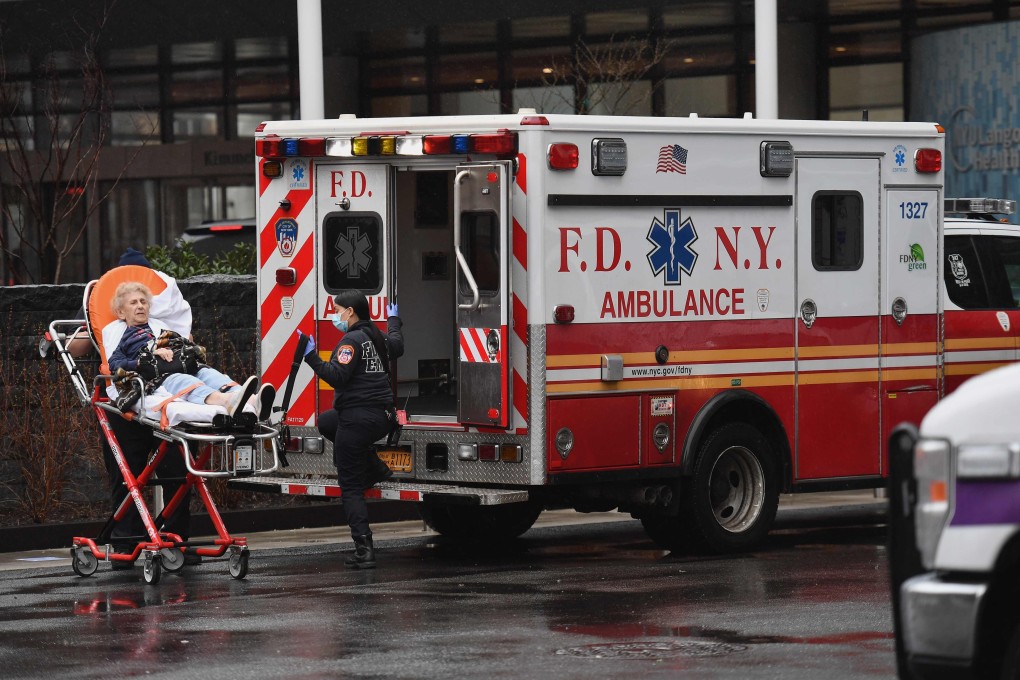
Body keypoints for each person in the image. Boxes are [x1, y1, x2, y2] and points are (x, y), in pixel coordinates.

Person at [66, 249, 198, 569]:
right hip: (123, 400)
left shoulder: (161, 318)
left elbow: (186, 342)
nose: (139, 300)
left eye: (144, 295)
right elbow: (77, 347)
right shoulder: (108, 320)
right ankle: (127, 542)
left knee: (176, 468)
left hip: (161, 397)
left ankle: (173, 536)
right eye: (132, 296)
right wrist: (93, 328)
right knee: (129, 473)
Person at [297, 291, 403, 569]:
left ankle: (364, 549)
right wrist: (393, 320)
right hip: (382, 417)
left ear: (351, 312)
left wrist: (311, 357)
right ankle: (376, 468)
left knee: (351, 488)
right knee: (326, 422)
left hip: (357, 421)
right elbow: (398, 346)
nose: (336, 315)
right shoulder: (377, 336)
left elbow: (338, 377)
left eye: (338, 309)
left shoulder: (350, 340)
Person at [104, 280, 271, 417]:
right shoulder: (125, 337)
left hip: (184, 364)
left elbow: (180, 343)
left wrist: (187, 345)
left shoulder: (161, 327)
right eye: (133, 303)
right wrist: (145, 359)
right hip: (162, 375)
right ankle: (226, 401)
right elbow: (115, 363)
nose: (140, 306)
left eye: (143, 302)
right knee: (185, 380)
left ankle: (253, 401)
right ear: (121, 313)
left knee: (208, 373)